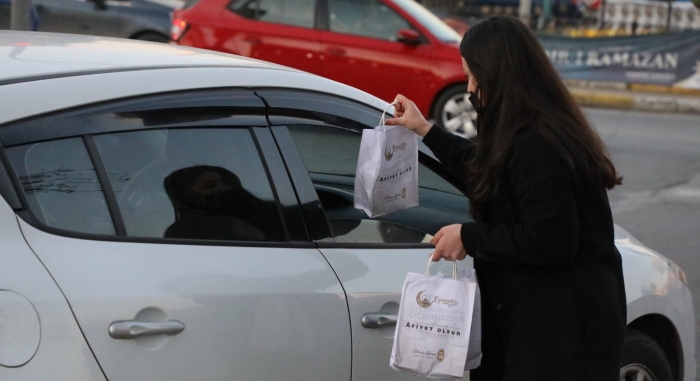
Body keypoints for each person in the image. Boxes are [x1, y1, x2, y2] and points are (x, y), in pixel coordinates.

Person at [385, 15, 626, 381]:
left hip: (563, 337)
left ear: (495, 73)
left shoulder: (538, 142)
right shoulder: (523, 128)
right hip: (535, 327)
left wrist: (469, 237)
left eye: (471, 75)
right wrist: (424, 129)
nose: (468, 87)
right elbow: (488, 173)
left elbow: (553, 239)